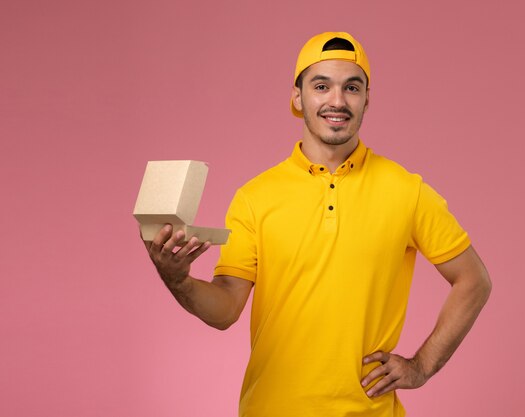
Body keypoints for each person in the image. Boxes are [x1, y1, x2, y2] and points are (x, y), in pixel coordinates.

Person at [144, 31, 492, 417]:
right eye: (321, 86)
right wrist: (177, 279)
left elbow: (474, 280)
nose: (337, 101)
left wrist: (422, 366)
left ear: (366, 99)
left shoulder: (407, 191)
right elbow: (225, 309)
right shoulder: (255, 197)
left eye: (352, 87)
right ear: (298, 98)